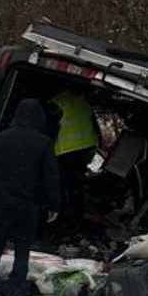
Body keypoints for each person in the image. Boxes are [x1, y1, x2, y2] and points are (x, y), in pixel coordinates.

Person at [0, 99, 61, 296]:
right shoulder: (44, 143)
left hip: (0, 204)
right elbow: (50, 177)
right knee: (22, 254)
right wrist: (53, 205)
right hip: (27, 207)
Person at [51, 89, 99, 227]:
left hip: (66, 150)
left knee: (62, 183)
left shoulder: (57, 102)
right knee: (75, 182)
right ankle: (77, 214)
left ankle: (62, 215)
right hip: (86, 148)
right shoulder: (83, 103)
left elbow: (50, 129)